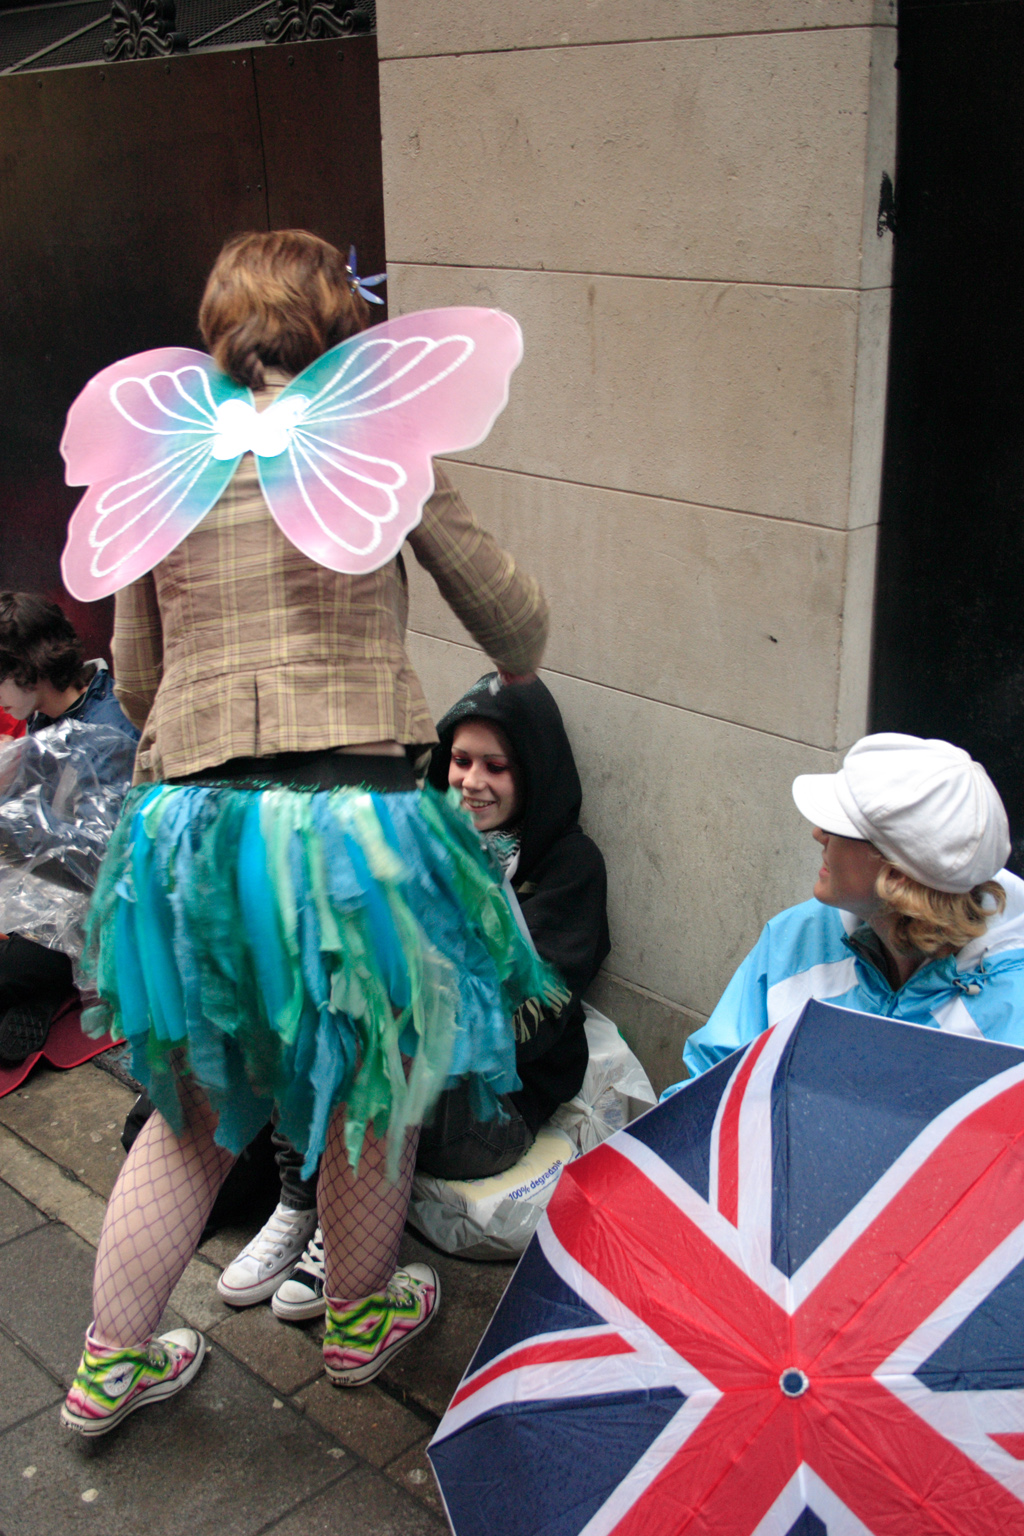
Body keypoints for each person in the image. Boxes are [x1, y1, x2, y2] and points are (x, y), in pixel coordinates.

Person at [59, 229, 554, 1436]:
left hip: (194, 826)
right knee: (365, 1085)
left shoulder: (165, 458)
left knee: (187, 1108)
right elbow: (515, 629)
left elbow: (133, 674)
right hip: (352, 827)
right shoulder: (379, 431)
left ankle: (108, 1364)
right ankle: (357, 1325)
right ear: (342, 320)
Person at [223, 672, 611, 1324]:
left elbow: (537, 1017)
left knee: (372, 1037)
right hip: (394, 1072)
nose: (471, 782)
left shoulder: (567, 864)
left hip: (491, 1107)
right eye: (460, 761)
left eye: (497, 766)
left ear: (534, 773)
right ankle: (298, 1202)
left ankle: (337, 1236)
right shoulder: (413, 838)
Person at [671, 733, 1024, 1088]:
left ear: (897, 876)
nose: (818, 833)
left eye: (839, 827)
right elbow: (709, 1085)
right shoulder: (798, 937)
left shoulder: (1011, 1011)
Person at [0, 595, 139, 1064]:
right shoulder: (48, 715)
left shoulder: (108, 727)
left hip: (103, 911)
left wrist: (9, 831)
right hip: (47, 898)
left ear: (28, 669)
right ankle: (35, 995)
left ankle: (34, 993)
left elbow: (98, 864)